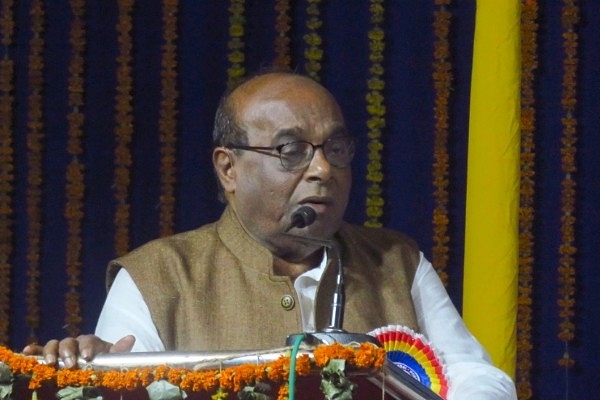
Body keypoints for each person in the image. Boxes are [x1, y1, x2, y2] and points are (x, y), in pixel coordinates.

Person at [24, 71, 516, 399]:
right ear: (228, 168)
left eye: (335, 148)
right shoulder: (158, 275)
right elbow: (119, 383)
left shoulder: (395, 259)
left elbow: (480, 379)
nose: (322, 168)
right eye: (291, 150)